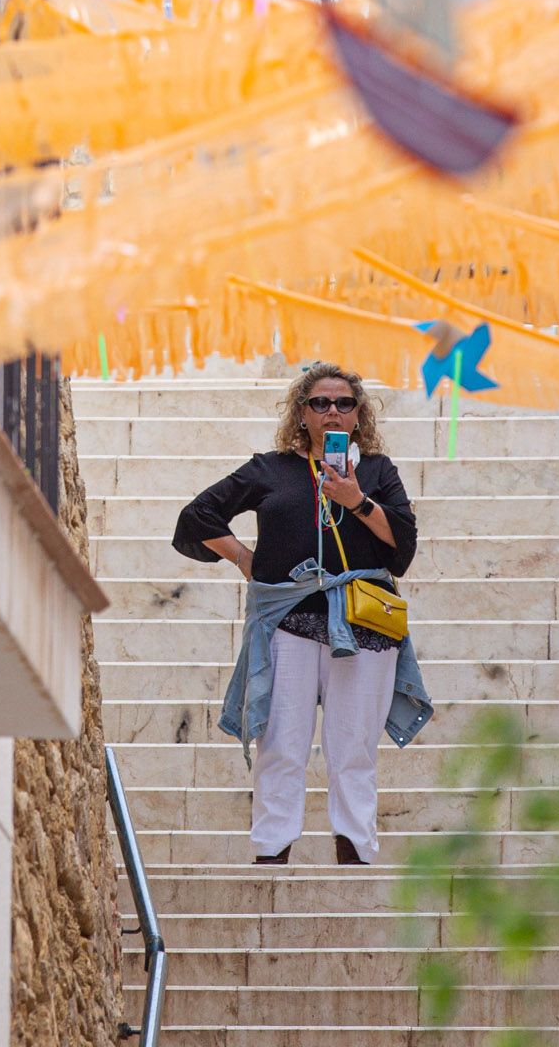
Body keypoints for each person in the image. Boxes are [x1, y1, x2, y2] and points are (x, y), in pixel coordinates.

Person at [172, 361, 420, 865]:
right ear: (301, 413)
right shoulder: (272, 468)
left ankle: (356, 855)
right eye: (320, 403)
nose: (332, 411)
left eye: (344, 403)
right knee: (282, 744)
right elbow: (196, 516)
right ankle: (272, 854)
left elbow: (404, 545)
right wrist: (244, 557)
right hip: (288, 623)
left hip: (364, 625)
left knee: (352, 749)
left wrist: (357, 500)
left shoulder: (376, 471)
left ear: (357, 416)